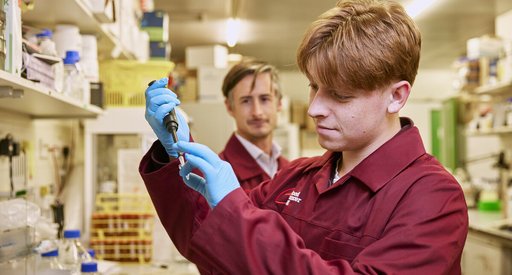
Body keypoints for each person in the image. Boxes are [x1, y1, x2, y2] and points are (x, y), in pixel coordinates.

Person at [140, 0, 468, 274]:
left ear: (396, 97)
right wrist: (174, 154)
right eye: (314, 86)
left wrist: (235, 208)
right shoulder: (298, 177)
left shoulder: (433, 197)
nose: (314, 109)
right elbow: (207, 244)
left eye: (340, 95)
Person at [219, 60, 288, 191]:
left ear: (279, 103)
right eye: (246, 101)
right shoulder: (219, 175)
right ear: (229, 107)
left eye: (265, 99)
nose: (257, 112)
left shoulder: (291, 170)